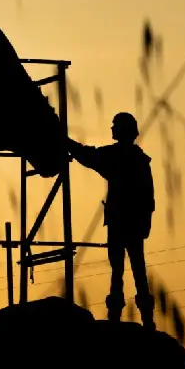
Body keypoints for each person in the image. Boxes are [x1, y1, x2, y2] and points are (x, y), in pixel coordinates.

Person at [67, 112, 157, 329]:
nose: (112, 129)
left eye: (115, 126)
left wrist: (67, 143)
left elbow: (89, 156)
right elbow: (149, 198)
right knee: (136, 269)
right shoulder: (139, 160)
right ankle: (145, 320)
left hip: (121, 222)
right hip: (133, 223)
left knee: (120, 269)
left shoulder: (118, 157)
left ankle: (118, 317)